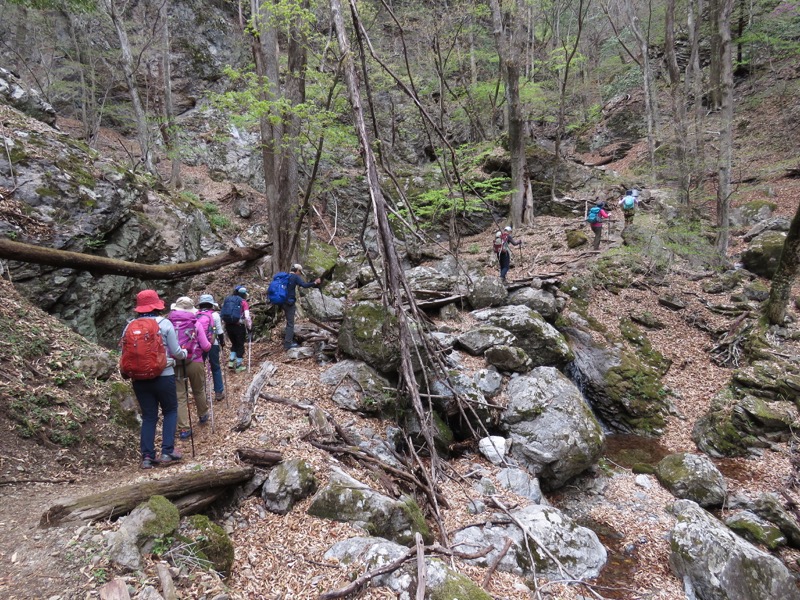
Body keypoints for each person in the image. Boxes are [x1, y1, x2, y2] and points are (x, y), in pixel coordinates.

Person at [122, 289, 187, 469]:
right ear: (157, 305)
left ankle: (147, 457)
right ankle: (167, 452)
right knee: (170, 410)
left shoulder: (129, 326)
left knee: (149, 416)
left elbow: (124, 354)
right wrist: (184, 353)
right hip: (164, 376)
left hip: (139, 379)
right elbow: (176, 352)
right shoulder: (165, 324)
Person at [168, 296, 211, 439]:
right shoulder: (196, 323)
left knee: (180, 396)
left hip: (174, 363)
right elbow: (205, 346)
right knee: (198, 389)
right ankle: (203, 415)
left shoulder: (168, 323)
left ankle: (184, 429)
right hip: (194, 361)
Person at [280, 264, 321, 350]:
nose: (300, 274)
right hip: (290, 303)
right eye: (299, 272)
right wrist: (315, 283)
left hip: (282, 302)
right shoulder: (295, 277)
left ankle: (287, 341)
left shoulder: (285, 276)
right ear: (297, 270)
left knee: (288, 322)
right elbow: (304, 285)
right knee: (290, 324)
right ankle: (288, 344)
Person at [197, 294, 225, 401]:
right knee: (216, 367)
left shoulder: (196, 314)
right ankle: (218, 392)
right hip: (213, 344)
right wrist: (222, 343)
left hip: (199, 345)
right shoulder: (215, 315)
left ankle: (202, 393)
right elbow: (219, 331)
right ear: (211, 304)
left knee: (200, 369)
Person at [221, 285, 252, 372]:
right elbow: (247, 316)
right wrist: (249, 327)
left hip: (228, 325)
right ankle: (238, 366)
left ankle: (231, 362)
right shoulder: (243, 302)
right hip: (239, 326)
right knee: (240, 345)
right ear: (243, 294)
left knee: (234, 343)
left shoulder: (228, 300)